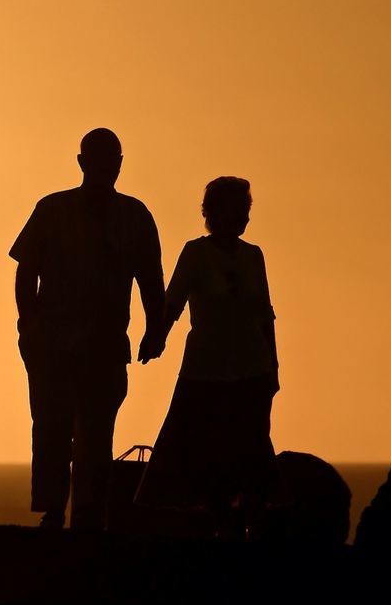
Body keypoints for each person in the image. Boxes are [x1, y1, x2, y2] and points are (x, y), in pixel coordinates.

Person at [9, 128, 167, 531]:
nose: (104, 169)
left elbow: (151, 280)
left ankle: (87, 515)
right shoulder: (51, 210)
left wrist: (156, 330)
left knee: (96, 435)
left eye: (110, 161)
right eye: (96, 161)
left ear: (119, 164)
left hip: (105, 346)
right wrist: (29, 328)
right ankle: (51, 511)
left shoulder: (136, 216)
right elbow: (26, 273)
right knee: (51, 428)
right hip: (52, 345)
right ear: (82, 163)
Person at [133, 176, 281, 540]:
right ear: (215, 213)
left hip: (251, 368)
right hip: (205, 368)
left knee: (251, 446)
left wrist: (273, 367)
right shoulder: (196, 253)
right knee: (197, 444)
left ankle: (247, 522)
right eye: (238, 210)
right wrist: (157, 338)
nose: (244, 217)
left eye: (246, 210)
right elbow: (174, 302)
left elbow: (265, 315)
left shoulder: (253, 255)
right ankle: (214, 521)